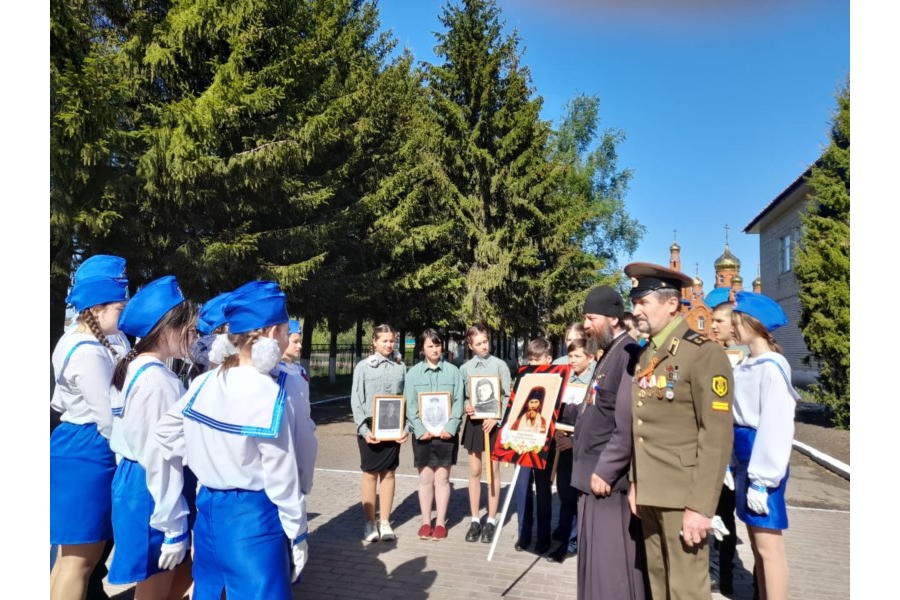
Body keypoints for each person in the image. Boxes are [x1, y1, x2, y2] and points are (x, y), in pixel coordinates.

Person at [145, 281, 310, 599]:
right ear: (272, 332)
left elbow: (164, 433)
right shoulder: (270, 392)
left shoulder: (205, 381)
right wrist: (298, 531)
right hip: (254, 521)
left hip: (208, 514)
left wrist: (203, 454)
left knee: (209, 592)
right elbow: (282, 475)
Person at [625, 261, 734, 600]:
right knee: (658, 585)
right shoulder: (648, 355)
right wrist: (635, 482)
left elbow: (715, 436)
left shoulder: (703, 354)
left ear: (671, 303)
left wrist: (702, 507)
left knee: (687, 590)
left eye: (643, 302)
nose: (636, 310)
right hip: (651, 492)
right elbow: (641, 426)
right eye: (635, 302)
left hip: (684, 497)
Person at [107, 275, 198, 599]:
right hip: (154, 491)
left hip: (140, 485)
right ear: (166, 328)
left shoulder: (135, 367)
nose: (193, 336)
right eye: (188, 328)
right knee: (154, 590)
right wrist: (172, 525)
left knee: (159, 584)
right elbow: (160, 455)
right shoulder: (157, 381)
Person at [50, 254, 129, 600]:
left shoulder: (80, 340)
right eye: (118, 307)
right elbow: (108, 417)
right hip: (89, 450)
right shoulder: (88, 351)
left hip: (78, 446)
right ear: (97, 307)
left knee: (68, 559)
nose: (124, 313)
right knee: (79, 562)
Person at [571, 285, 645, 599]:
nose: (586, 325)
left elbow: (626, 422)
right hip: (592, 476)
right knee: (595, 566)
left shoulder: (627, 354)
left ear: (613, 318)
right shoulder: (609, 353)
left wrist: (607, 468)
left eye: (591, 318)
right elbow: (598, 408)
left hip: (607, 483)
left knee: (612, 569)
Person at [731, 291, 798, 600]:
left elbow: (776, 426)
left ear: (751, 323)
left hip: (762, 460)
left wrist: (763, 479)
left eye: (736, 320)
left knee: (769, 547)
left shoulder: (772, 367)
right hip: (745, 457)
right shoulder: (748, 364)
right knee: (757, 544)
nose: (732, 327)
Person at [707, 293, 750, 596]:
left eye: (718, 320)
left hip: (741, 448)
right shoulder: (712, 353)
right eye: (710, 320)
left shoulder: (747, 355)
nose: (712, 326)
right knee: (719, 512)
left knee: (742, 518)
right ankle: (718, 573)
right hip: (717, 446)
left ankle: (735, 573)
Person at [350, 324, 408, 542]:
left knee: (389, 473)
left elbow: (406, 399)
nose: (388, 344)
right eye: (384, 340)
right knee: (370, 473)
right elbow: (356, 400)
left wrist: (405, 428)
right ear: (374, 341)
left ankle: (385, 521)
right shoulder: (363, 367)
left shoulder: (400, 367)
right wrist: (364, 430)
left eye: (391, 340)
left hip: (392, 427)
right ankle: (369, 523)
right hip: (370, 428)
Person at [405, 329, 464, 541]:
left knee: (442, 477)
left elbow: (458, 401)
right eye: (430, 345)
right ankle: (425, 522)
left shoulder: (453, 372)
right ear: (422, 349)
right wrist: (420, 430)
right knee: (425, 477)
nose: (435, 349)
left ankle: (440, 523)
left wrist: (452, 426)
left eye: (437, 345)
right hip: (423, 435)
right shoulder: (412, 374)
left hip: (446, 434)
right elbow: (410, 404)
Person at [459, 325, 512, 544]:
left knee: (493, 472)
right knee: (475, 471)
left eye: (486, 341)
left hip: (494, 425)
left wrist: (496, 417)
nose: (484, 346)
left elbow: (508, 396)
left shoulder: (500, 366)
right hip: (474, 425)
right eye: (479, 343)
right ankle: (474, 519)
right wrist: (467, 406)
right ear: (470, 346)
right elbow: (461, 396)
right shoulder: (465, 369)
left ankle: (491, 519)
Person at [545, 337, 595, 563]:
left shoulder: (594, 383)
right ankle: (564, 535)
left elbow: (595, 421)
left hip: (582, 449)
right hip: (562, 445)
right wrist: (557, 433)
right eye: (570, 355)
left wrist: (574, 440)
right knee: (565, 494)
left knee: (577, 498)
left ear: (590, 358)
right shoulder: (565, 379)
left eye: (577, 356)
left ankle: (571, 542)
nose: (572, 360)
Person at [512, 339, 554, 555]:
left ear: (549, 359)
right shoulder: (522, 375)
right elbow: (514, 405)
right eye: (530, 359)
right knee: (522, 487)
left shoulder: (556, 378)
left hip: (545, 442)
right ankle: (524, 534)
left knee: (544, 489)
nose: (533, 363)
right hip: (522, 440)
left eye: (537, 360)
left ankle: (543, 537)